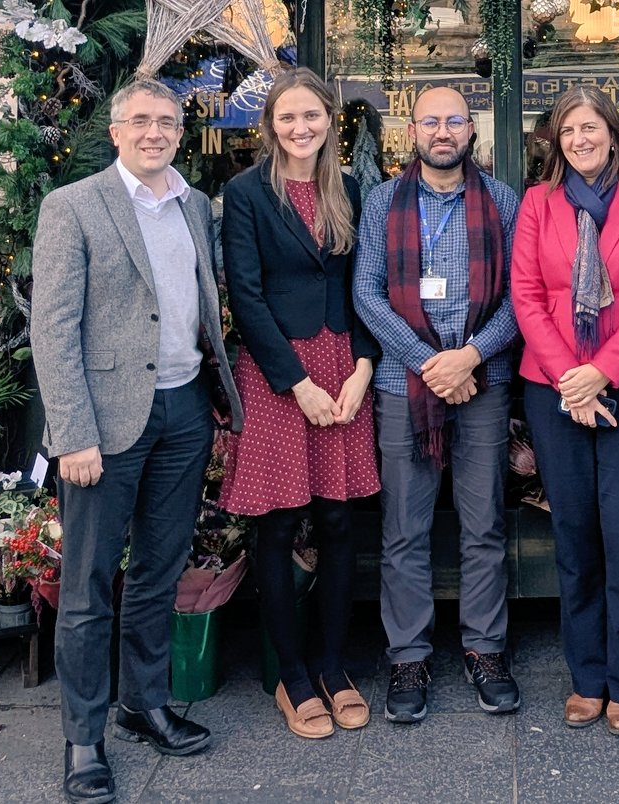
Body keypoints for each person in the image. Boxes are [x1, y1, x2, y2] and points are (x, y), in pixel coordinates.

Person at [30, 78, 243, 804]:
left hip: (183, 412)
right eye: (142, 121)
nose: (156, 132)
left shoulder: (194, 204)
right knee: (88, 587)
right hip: (107, 421)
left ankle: (142, 704)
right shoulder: (75, 207)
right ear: (117, 131)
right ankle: (83, 737)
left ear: (180, 131)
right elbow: (53, 330)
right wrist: (73, 434)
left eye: (168, 121)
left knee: (158, 570)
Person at [510, 86, 619, 736]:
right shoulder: (537, 204)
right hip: (555, 391)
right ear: (555, 141)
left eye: (591, 127)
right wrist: (571, 381)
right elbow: (526, 296)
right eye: (568, 131)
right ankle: (587, 677)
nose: (580, 139)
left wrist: (601, 374)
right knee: (575, 535)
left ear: (614, 132)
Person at [218, 68, 380, 740]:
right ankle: (291, 674)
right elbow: (245, 298)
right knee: (279, 527)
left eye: (311, 115)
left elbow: (368, 284)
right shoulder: (246, 194)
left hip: (344, 366)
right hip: (278, 371)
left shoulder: (349, 189)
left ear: (328, 119)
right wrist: (297, 383)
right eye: (288, 117)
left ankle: (334, 667)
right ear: (271, 125)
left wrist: (365, 366)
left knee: (339, 523)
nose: (300, 128)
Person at [353, 86, 521, 722]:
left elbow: (518, 295)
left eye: (454, 120)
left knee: (484, 526)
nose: (443, 132)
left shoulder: (501, 201)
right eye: (431, 121)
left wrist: (469, 357)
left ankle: (485, 649)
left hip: (482, 381)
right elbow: (367, 295)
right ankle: (408, 656)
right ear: (412, 131)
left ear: (472, 129)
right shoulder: (381, 202)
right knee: (405, 531)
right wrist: (429, 362)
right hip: (404, 386)